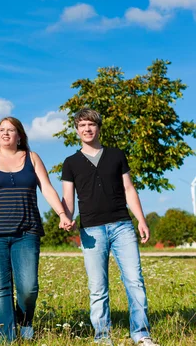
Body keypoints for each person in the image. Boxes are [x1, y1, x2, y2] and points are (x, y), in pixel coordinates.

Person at [61, 108, 159, 346]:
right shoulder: (70, 163)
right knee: (97, 287)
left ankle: (141, 333)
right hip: (91, 230)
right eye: (82, 125)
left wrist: (141, 220)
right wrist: (65, 216)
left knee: (134, 280)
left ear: (99, 128)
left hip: (122, 226)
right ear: (76, 130)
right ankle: (102, 337)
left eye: (91, 125)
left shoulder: (116, 155)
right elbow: (68, 198)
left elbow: (129, 190)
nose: (87, 129)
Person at [0, 117, 73, 343]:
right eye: (2, 130)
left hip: (27, 231)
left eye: (11, 130)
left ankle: (25, 320)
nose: (6, 133)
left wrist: (62, 213)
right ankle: (7, 337)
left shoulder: (32, 158)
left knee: (29, 288)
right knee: (2, 288)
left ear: (20, 135)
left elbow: (46, 188)